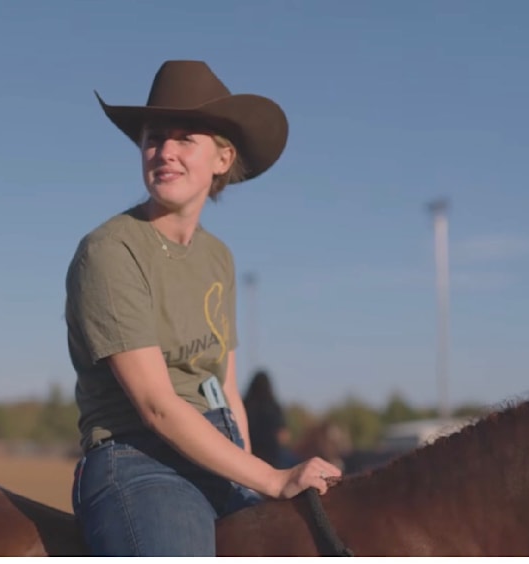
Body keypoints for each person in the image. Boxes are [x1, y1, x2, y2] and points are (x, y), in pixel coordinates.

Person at [64, 60, 343, 556]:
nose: (164, 152)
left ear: (221, 158)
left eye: (184, 138)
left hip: (220, 451)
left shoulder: (219, 258)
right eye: (154, 137)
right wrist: (273, 479)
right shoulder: (110, 251)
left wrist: (251, 474)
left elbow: (227, 388)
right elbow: (157, 406)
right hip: (139, 460)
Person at [242, 369, 299, 469]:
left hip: (248, 457)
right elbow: (283, 436)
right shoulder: (273, 407)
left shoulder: (243, 405)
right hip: (273, 459)